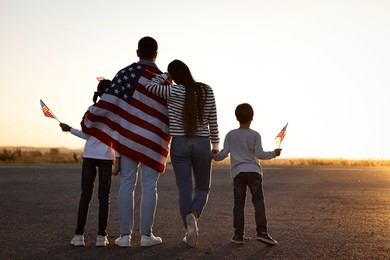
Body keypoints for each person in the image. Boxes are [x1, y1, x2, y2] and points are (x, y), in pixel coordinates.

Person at [81, 36, 171, 247]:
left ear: (138, 52)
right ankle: (147, 236)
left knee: (127, 184)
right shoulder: (165, 79)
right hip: (153, 141)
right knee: (150, 186)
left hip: (128, 139)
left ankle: (124, 237)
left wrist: (91, 118)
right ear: (156, 54)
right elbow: (169, 110)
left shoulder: (125, 74)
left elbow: (109, 102)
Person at [145, 59, 219, 247]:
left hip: (180, 144)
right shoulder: (206, 90)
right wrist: (216, 144)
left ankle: (189, 232)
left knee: (184, 189)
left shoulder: (173, 91)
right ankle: (194, 214)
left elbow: (149, 86)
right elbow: (213, 119)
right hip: (202, 143)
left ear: (173, 75)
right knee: (203, 187)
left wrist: (164, 76)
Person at [213, 103, 281, 246]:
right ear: (252, 118)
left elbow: (223, 154)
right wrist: (274, 153)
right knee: (258, 203)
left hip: (238, 173)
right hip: (254, 172)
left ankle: (238, 235)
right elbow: (261, 154)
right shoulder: (255, 135)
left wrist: (214, 156)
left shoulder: (231, 134)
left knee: (239, 204)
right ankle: (262, 233)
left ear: (237, 117)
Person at [60, 79, 118, 247]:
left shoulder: (91, 110)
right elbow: (118, 138)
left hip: (90, 156)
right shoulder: (117, 113)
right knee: (104, 198)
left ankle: (78, 236)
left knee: (85, 196)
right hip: (107, 157)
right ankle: (101, 237)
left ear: (99, 94)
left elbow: (86, 135)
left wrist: (69, 129)